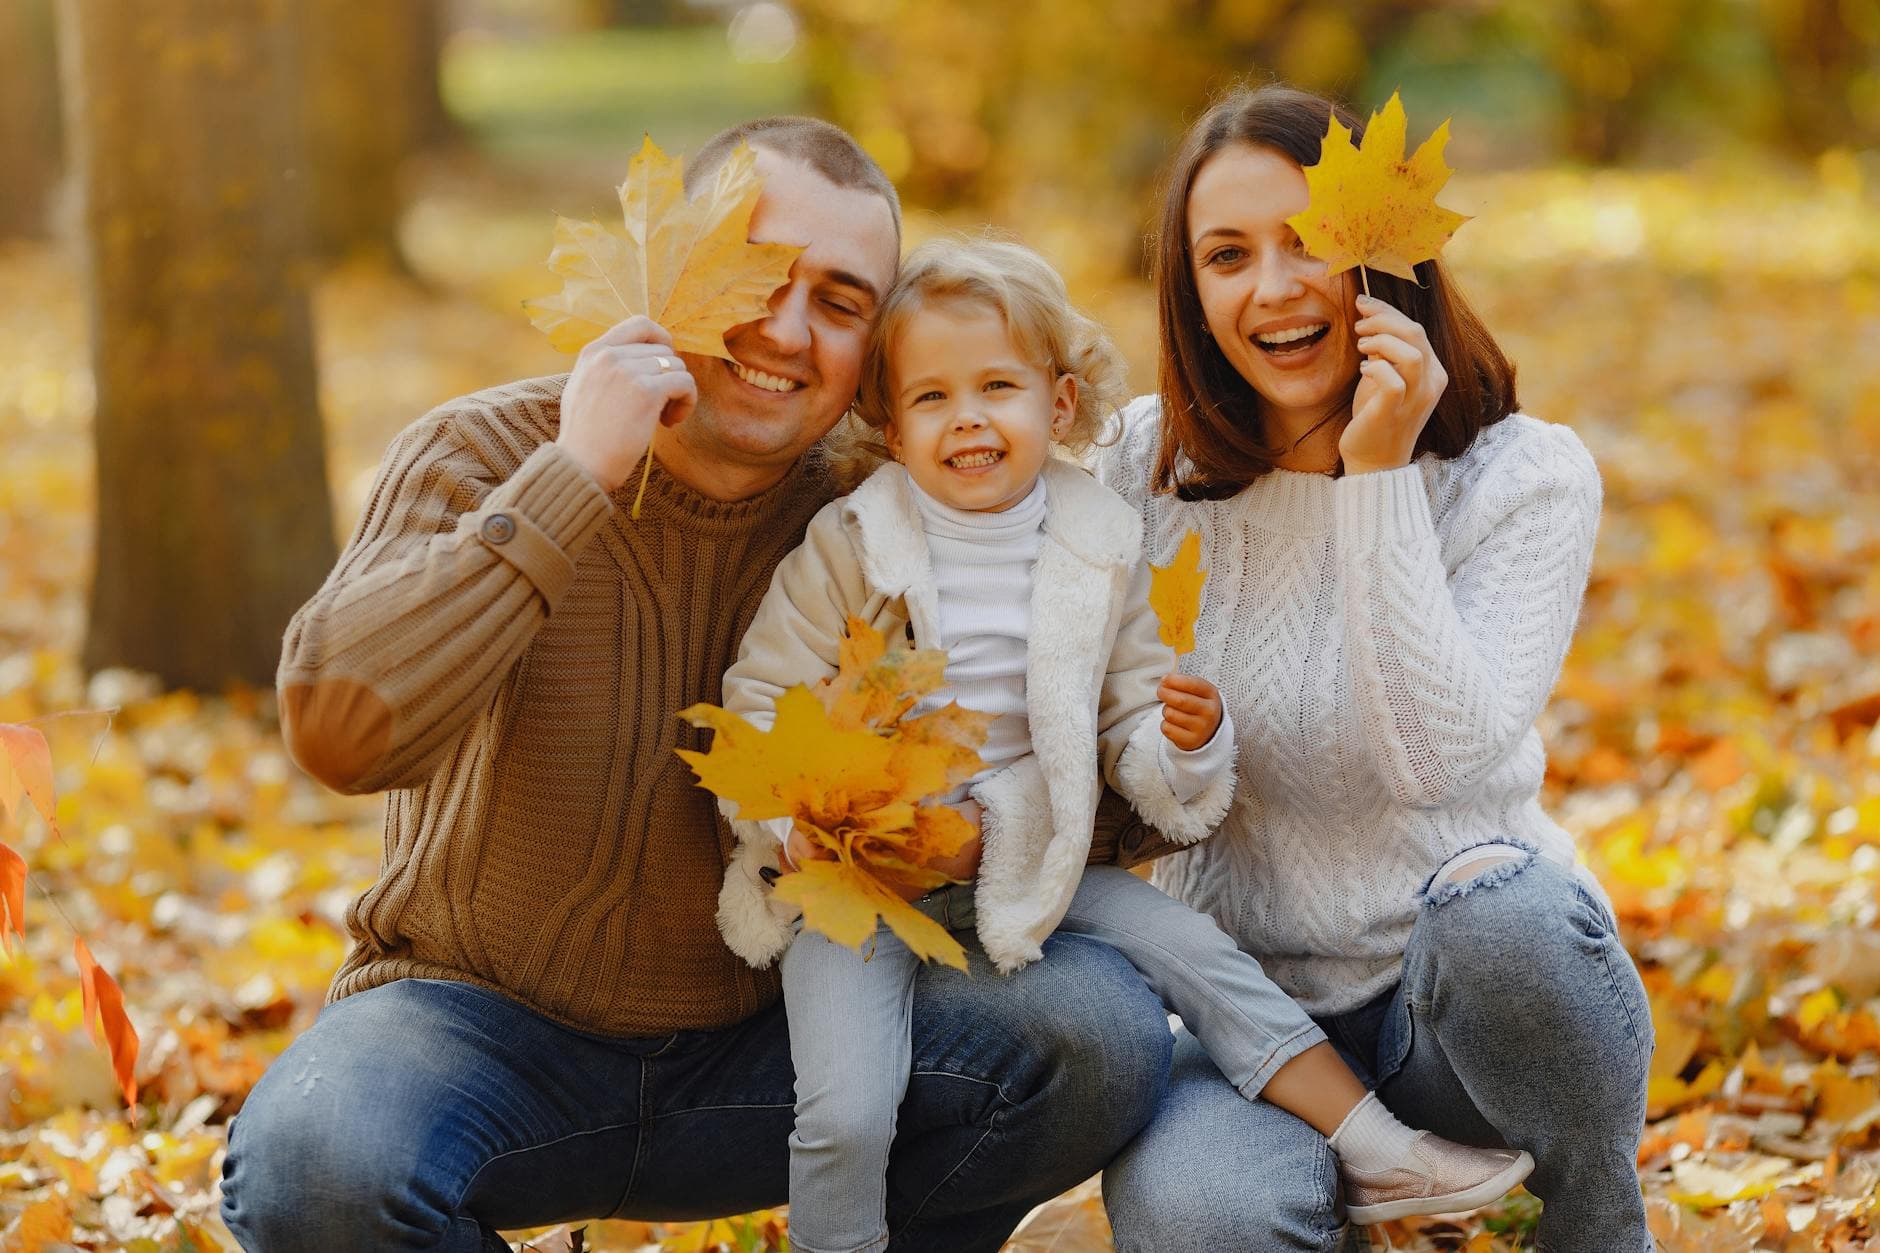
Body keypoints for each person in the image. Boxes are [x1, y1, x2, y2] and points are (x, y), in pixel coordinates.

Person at [218, 118, 1180, 1253]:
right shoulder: (488, 454)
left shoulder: (894, 517)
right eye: (755, 272)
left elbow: (1100, 769)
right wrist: (576, 474)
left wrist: (966, 831)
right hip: (471, 1033)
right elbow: (339, 727)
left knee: (1099, 1033)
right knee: (315, 1166)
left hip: (784, 1044)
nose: (784, 327)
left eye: (837, 300)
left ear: (873, 350)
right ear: (676, 265)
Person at [713, 238, 1535, 1253]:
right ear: (889, 426)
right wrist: (787, 814)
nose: (965, 417)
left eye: (996, 386)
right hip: (856, 875)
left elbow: (1126, 718)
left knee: (1198, 950)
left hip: (1028, 857)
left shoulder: (1092, 536)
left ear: (1057, 405)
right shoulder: (851, 543)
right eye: (929, 398)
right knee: (845, 1105)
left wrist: (1180, 740)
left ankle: (1373, 1142)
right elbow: (759, 697)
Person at [1092, 85, 1655, 1251]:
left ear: (1383, 253)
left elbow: (1433, 764)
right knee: (1200, 1216)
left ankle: (1595, 1224)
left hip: (1457, 1010)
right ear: (1190, 292)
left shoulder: (1520, 478)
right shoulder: (1140, 469)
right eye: (1225, 256)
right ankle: (1335, 1202)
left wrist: (1378, 475)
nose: (1272, 286)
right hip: (1245, 1023)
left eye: (1306, 241)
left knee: (1508, 919)